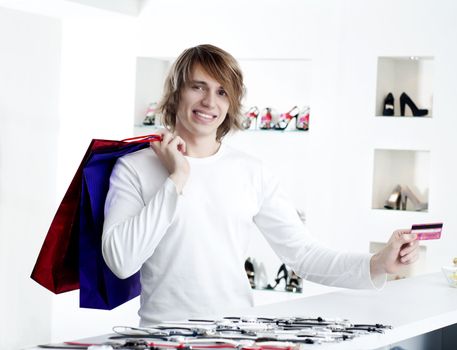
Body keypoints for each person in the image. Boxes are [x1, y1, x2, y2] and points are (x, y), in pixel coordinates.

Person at [102, 44, 419, 326]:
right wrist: (177, 178)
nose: (209, 101)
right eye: (197, 87)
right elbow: (121, 261)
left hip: (234, 333)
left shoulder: (251, 172)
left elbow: (303, 254)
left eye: (222, 91)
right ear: (176, 93)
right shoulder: (135, 167)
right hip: (161, 336)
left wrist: (378, 263)